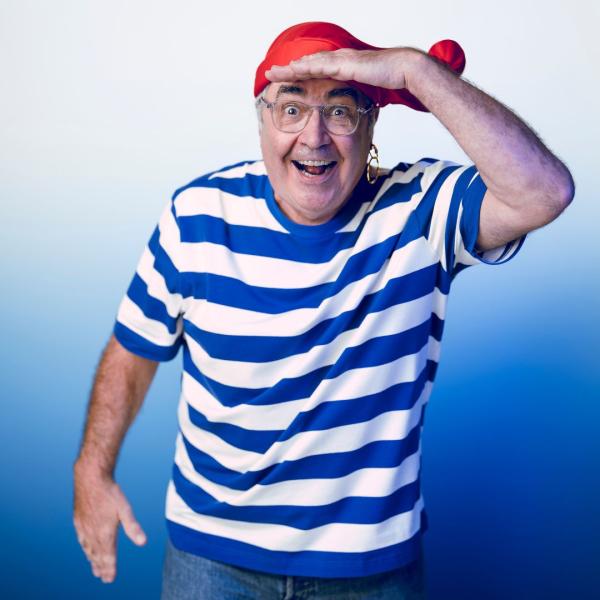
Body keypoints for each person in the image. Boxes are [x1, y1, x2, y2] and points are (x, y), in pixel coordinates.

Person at [73, 21, 574, 599]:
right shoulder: (197, 216)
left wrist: (415, 70)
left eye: (340, 111)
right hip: (210, 560)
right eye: (291, 109)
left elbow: (543, 191)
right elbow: (133, 349)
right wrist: (92, 469)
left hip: (370, 573)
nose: (313, 137)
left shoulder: (419, 211)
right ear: (261, 119)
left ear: (371, 124)